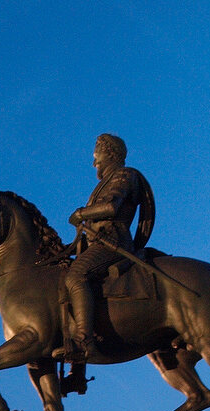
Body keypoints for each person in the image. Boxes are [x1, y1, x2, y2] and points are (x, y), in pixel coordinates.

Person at [60, 134, 154, 361]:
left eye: (97, 156)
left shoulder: (124, 174)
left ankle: (84, 341)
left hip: (113, 241)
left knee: (76, 276)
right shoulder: (105, 182)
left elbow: (112, 207)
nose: (94, 163)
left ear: (111, 153)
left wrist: (81, 213)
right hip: (99, 242)